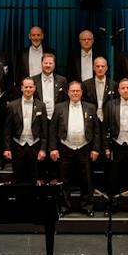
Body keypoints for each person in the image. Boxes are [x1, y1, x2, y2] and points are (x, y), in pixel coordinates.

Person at [51, 81, 101, 213]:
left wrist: (96, 149)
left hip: (84, 147)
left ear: (81, 92)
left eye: (77, 91)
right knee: (64, 179)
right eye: (72, 91)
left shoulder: (91, 107)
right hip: (65, 147)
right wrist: (53, 148)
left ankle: (87, 206)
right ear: (68, 92)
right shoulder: (59, 107)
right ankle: (64, 207)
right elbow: (53, 129)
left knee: (87, 179)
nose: (75, 93)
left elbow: (96, 130)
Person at [2, 78, 51, 185]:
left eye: (30, 87)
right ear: (21, 88)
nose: (28, 89)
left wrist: (43, 149)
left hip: (34, 145)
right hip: (17, 145)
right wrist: (7, 148)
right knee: (18, 178)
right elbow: (7, 130)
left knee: (33, 177)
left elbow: (44, 130)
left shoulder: (41, 106)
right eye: (26, 87)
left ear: (34, 88)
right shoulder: (12, 106)